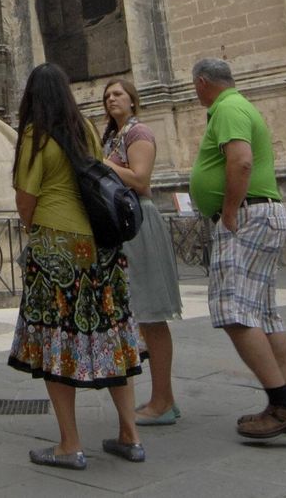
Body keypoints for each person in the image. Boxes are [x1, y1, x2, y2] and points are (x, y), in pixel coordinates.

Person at [8, 64, 144, 470]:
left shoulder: (35, 134)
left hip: (55, 245)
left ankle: (70, 444)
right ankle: (130, 435)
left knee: (56, 341)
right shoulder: (85, 127)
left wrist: (36, 228)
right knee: (112, 336)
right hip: (98, 245)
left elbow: (25, 200)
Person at [189, 58, 286, 438]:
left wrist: (227, 211)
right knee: (264, 313)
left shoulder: (226, 108)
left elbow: (240, 161)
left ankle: (285, 406)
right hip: (261, 212)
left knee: (234, 312)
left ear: (203, 82)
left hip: (245, 215)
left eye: (195, 86)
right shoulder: (240, 106)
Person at [101, 78, 182, 426]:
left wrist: (100, 165)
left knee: (151, 314)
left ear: (133, 101)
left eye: (117, 94)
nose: (111, 99)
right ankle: (159, 399)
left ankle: (163, 401)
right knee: (136, 312)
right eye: (107, 96)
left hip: (140, 224)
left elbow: (141, 178)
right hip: (122, 225)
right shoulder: (113, 137)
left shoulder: (139, 133)